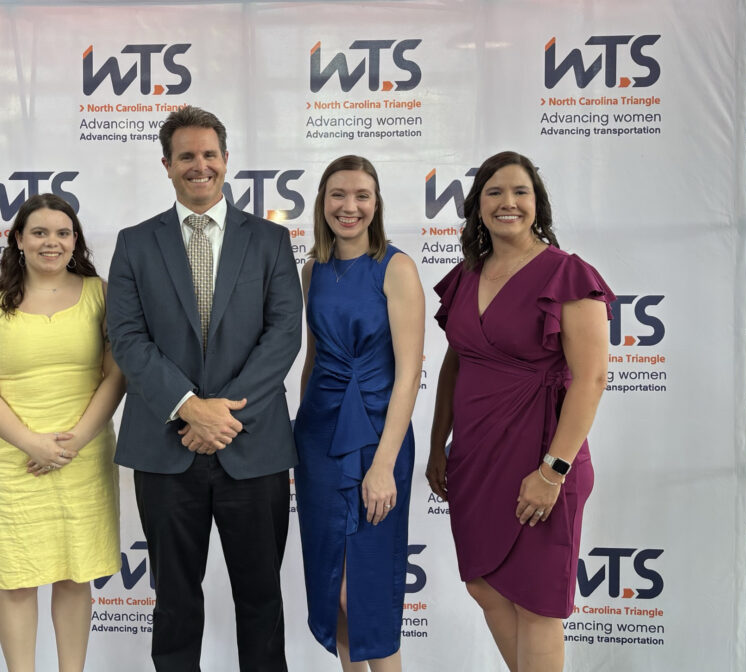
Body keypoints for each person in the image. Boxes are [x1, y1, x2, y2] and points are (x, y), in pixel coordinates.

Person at [106, 105, 302, 672]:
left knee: (261, 600)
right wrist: (191, 408)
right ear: (166, 165)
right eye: (187, 156)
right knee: (174, 603)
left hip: (254, 445)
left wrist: (224, 416)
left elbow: (284, 334)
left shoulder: (269, 239)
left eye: (210, 154)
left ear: (225, 160)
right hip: (166, 449)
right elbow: (128, 337)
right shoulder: (135, 242)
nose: (200, 165)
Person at [426, 151, 614, 672]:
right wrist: (440, 444)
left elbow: (591, 379)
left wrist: (552, 473)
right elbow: (455, 365)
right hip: (475, 458)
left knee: (537, 606)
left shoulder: (568, 274)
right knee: (484, 586)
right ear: (477, 207)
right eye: (494, 192)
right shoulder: (465, 276)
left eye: (520, 192)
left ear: (538, 204)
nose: (508, 202)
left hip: (541, 456)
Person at [0, 193, 125, 672]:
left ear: (75, 241)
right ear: (18, 240)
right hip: (14, 462)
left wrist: (72, 442)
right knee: (17, 581)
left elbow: (116, 374)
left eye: (62, 232)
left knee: (76, 578)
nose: (51, 242)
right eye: (39, 232)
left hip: (85, 454)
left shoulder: (102, 293)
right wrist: (32, 443)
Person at [294, 156, 424, 671]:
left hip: (377, 436)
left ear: (377, 203)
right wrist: (296, 443)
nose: (349, 207)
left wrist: (383, 464)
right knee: (332, 589)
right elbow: (312, 359)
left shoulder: (396, 267)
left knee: (365, 591)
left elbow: (410, 373)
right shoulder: (312, 270)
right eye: (338, 195)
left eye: (362, 195)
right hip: (318, 441)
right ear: (323, 203)